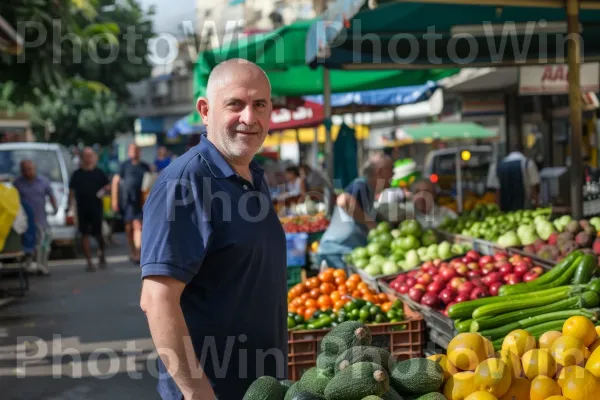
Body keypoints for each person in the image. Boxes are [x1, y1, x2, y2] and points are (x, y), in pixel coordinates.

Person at [140, 59, 287, 400]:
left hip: (261, 388)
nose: (249, 118)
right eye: (235, 104)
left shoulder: (252, 177)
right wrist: (196, 392)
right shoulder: (184, 183)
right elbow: (156, 298)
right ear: (205, 111)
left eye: (259, 105)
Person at [318, 152, 394, 270]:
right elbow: (343, 200)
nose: (393, 174)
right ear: (380, 172)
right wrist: (369, 222)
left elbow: (360, 212)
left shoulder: (369, 190)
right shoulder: (361, 184)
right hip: (336, 251)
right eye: (391, 170)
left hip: (345, 252)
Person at [68, 147, 110, 272]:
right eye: (86, 156)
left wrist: (104, 191)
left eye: (91, 155)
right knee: (84, 234)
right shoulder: (77, 174)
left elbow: (107, 186)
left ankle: (101, 252)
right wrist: (70, 207)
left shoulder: (99, 173)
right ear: (82, 158)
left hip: (96, 208)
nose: (89, 158)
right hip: (82, 208)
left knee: (98, 234)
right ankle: (89, 261)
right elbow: (71, 191)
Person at [13, 160, 58, 276]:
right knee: (29, 245)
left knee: (44, 245)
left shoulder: (43, 182)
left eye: (30, 169)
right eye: (25, 170)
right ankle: (28, 265)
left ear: (35, 169)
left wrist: (55, 208)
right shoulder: (18, 183)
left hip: (41, 219)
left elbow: (51, 196)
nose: (28, 172)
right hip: (25, 221)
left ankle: (42, 266)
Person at [111, 144, 150, 264]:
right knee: (128, 227)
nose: (134, 152)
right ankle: (132, 251)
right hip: (127, 200)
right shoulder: (124, 166)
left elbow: (150, 182)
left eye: (137, 150)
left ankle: (138, 253)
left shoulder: (145, 166)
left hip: (140, 201)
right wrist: (114, 200)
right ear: (129, 152)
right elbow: (115, 181)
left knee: (138, 225)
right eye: (132, 150)